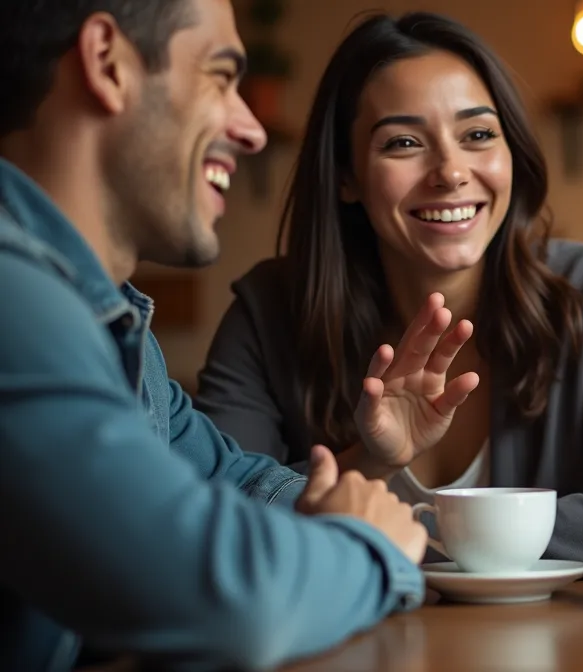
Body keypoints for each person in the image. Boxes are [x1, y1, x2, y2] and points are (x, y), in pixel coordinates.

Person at [0, 1, 478, 669]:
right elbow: (231, 604)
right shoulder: (15, 305)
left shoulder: (112, 326)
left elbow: (235, 484)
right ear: (107, 64)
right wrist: (366, 546)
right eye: (221, 77)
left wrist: (358, 481)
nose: (253, 130)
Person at [193, 12, 583, 576]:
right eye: (404, 142)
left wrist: (429, 532)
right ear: (346, 175)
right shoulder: (269, 309)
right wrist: (369, 459)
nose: (450, 171)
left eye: (478, 135)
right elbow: (206, 521)